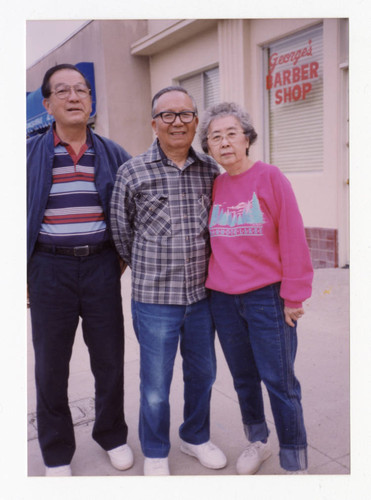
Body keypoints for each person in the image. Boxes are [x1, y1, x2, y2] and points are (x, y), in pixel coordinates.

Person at [110, 86, 227, 476]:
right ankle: (156, 450)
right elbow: (121, 233)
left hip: (202, 298)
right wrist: (148, 266)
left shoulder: (211, 171)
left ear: (196, 122)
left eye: (185, 114)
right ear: (154, 123)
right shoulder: (132, 172)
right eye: (167, 115)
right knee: (156, 384)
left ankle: (195, 436)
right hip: (155, 299)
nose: (177, 122)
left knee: (203, 374)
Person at [27, 64, 134, 476]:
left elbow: (132, 210)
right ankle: (56, 451)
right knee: (50, 364)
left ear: (91, 99)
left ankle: (112, 435)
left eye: (82, 90)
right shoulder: (27, 153)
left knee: (109, 358)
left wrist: (119, 258)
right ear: (48, 102)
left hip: (101, 266)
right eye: (63, 91)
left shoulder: (112, 152)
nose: (74, 97)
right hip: (48, 268)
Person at [199, 102, 313, 474]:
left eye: (232, 133)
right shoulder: (216, 184)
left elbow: (294, 237)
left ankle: (295, 461)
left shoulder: (270, 177)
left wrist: (294, 295)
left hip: (266, 297)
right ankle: (258, 441)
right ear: (209, 148)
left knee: (279, 380)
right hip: (223, 300)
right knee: (244, 378)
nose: (224, 142)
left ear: (247, 139)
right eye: (215, 137)